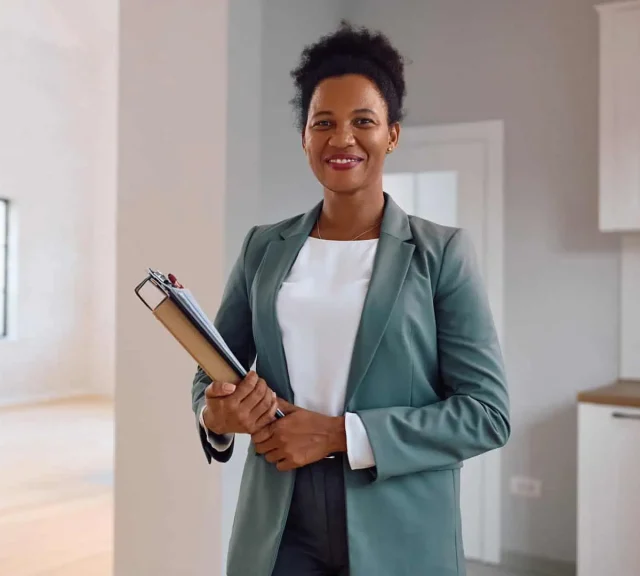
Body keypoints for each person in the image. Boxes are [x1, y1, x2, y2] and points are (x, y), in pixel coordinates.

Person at [193, 22, 510, 576]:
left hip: (400, 523)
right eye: (324, 123)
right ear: (304, 138)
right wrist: (214, 416)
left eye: (363, 121)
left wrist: (339, 434)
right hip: (279, 522)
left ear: (391, 134)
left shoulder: (442, 254)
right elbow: (213, 372)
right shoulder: (262, 248)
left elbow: (486, 415)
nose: (342, 139)